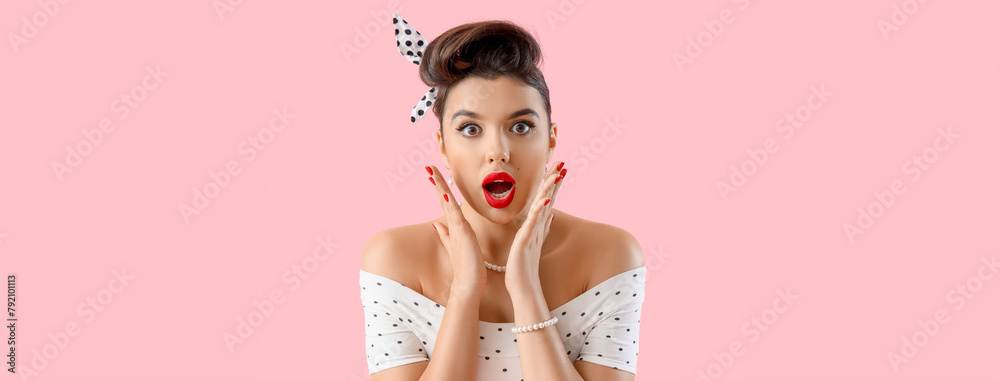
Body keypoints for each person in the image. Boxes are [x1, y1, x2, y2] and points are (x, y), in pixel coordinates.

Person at [360, 13, 647, 380]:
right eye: (470, 128)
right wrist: (465, 291)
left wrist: (526, 289)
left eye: (521, 126)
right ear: (443, 147)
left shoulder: (611, 254)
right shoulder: (394, 258)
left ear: (551, 140)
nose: (498, 151)